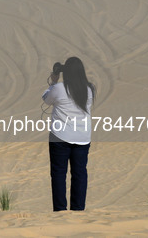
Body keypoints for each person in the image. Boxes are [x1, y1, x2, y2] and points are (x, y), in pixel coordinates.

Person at [42, 56, 96, 212]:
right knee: (80, 173)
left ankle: (60, 210)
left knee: (59, 173)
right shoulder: (89, 88)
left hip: (60, 136)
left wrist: (53, 81)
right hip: (82, 137)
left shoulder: (59, 88)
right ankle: (78, 209)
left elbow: (46, 99)